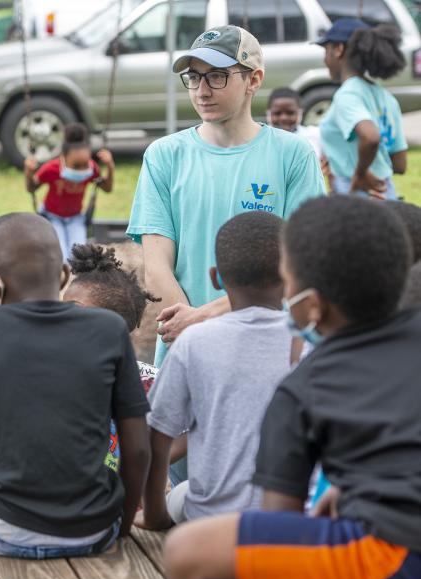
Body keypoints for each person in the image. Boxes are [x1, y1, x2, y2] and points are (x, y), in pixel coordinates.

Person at [163, 195, 421, 579]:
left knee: (186, 555)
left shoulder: (304, 385)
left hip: (396, 564)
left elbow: (275, 538)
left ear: (313, 306)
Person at [0, 214, 151, 559]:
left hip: (0, 530)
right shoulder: (109, 330)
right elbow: (138, 448)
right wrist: (122, 525)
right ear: (64, 276)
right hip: (93, 530)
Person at [127, 25, 325, 370]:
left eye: (217, 76)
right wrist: (190, 329)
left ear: (254, 79)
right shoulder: (163, 156)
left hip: (268, 352)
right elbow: (157, 269)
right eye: (194, 77)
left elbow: (299, 264)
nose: (202, 90)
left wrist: (201, 319)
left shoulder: (293, 155)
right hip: (186, 351)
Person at [136, 211, 291, 530]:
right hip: (294, 515)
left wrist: (155, 515)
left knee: (179, 496)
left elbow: (157, 438)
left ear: (216, 278)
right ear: (292, 274)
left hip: (212, 519)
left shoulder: (194, 342)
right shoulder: (311, 342)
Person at [62, 243, 159, 472]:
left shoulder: (148, 381)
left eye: (73, 311)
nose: (60, 318)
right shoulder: (49, 372)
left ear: (112, 328)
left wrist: (137, 466)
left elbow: (189, 427)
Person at [318, 19, 408, 199]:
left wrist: (359, 174)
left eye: (326, 51)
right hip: (386, 193)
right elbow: (400, 164)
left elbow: (370, 137)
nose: (325, 59)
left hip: (358, 196)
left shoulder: (347, 94)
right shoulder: (386, 98)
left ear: (338, 49)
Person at [23, 122, 114, 261]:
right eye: (77, 166)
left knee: (79, 255)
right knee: (61, 254)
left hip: (76, 218)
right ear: (64, 158)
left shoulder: (92, 169)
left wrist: (110, 166)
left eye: (85, 164)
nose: (82, 169)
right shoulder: (51, 169)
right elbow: (31, 188)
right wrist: (28, 172)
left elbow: (107, 188)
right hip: (52, 216)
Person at [266, 87, 323, 159]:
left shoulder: (315, 135)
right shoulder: (261, 139)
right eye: (277, 113)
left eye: (290, 113)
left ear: (300, 112)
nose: (283, 118)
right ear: (268, 113)